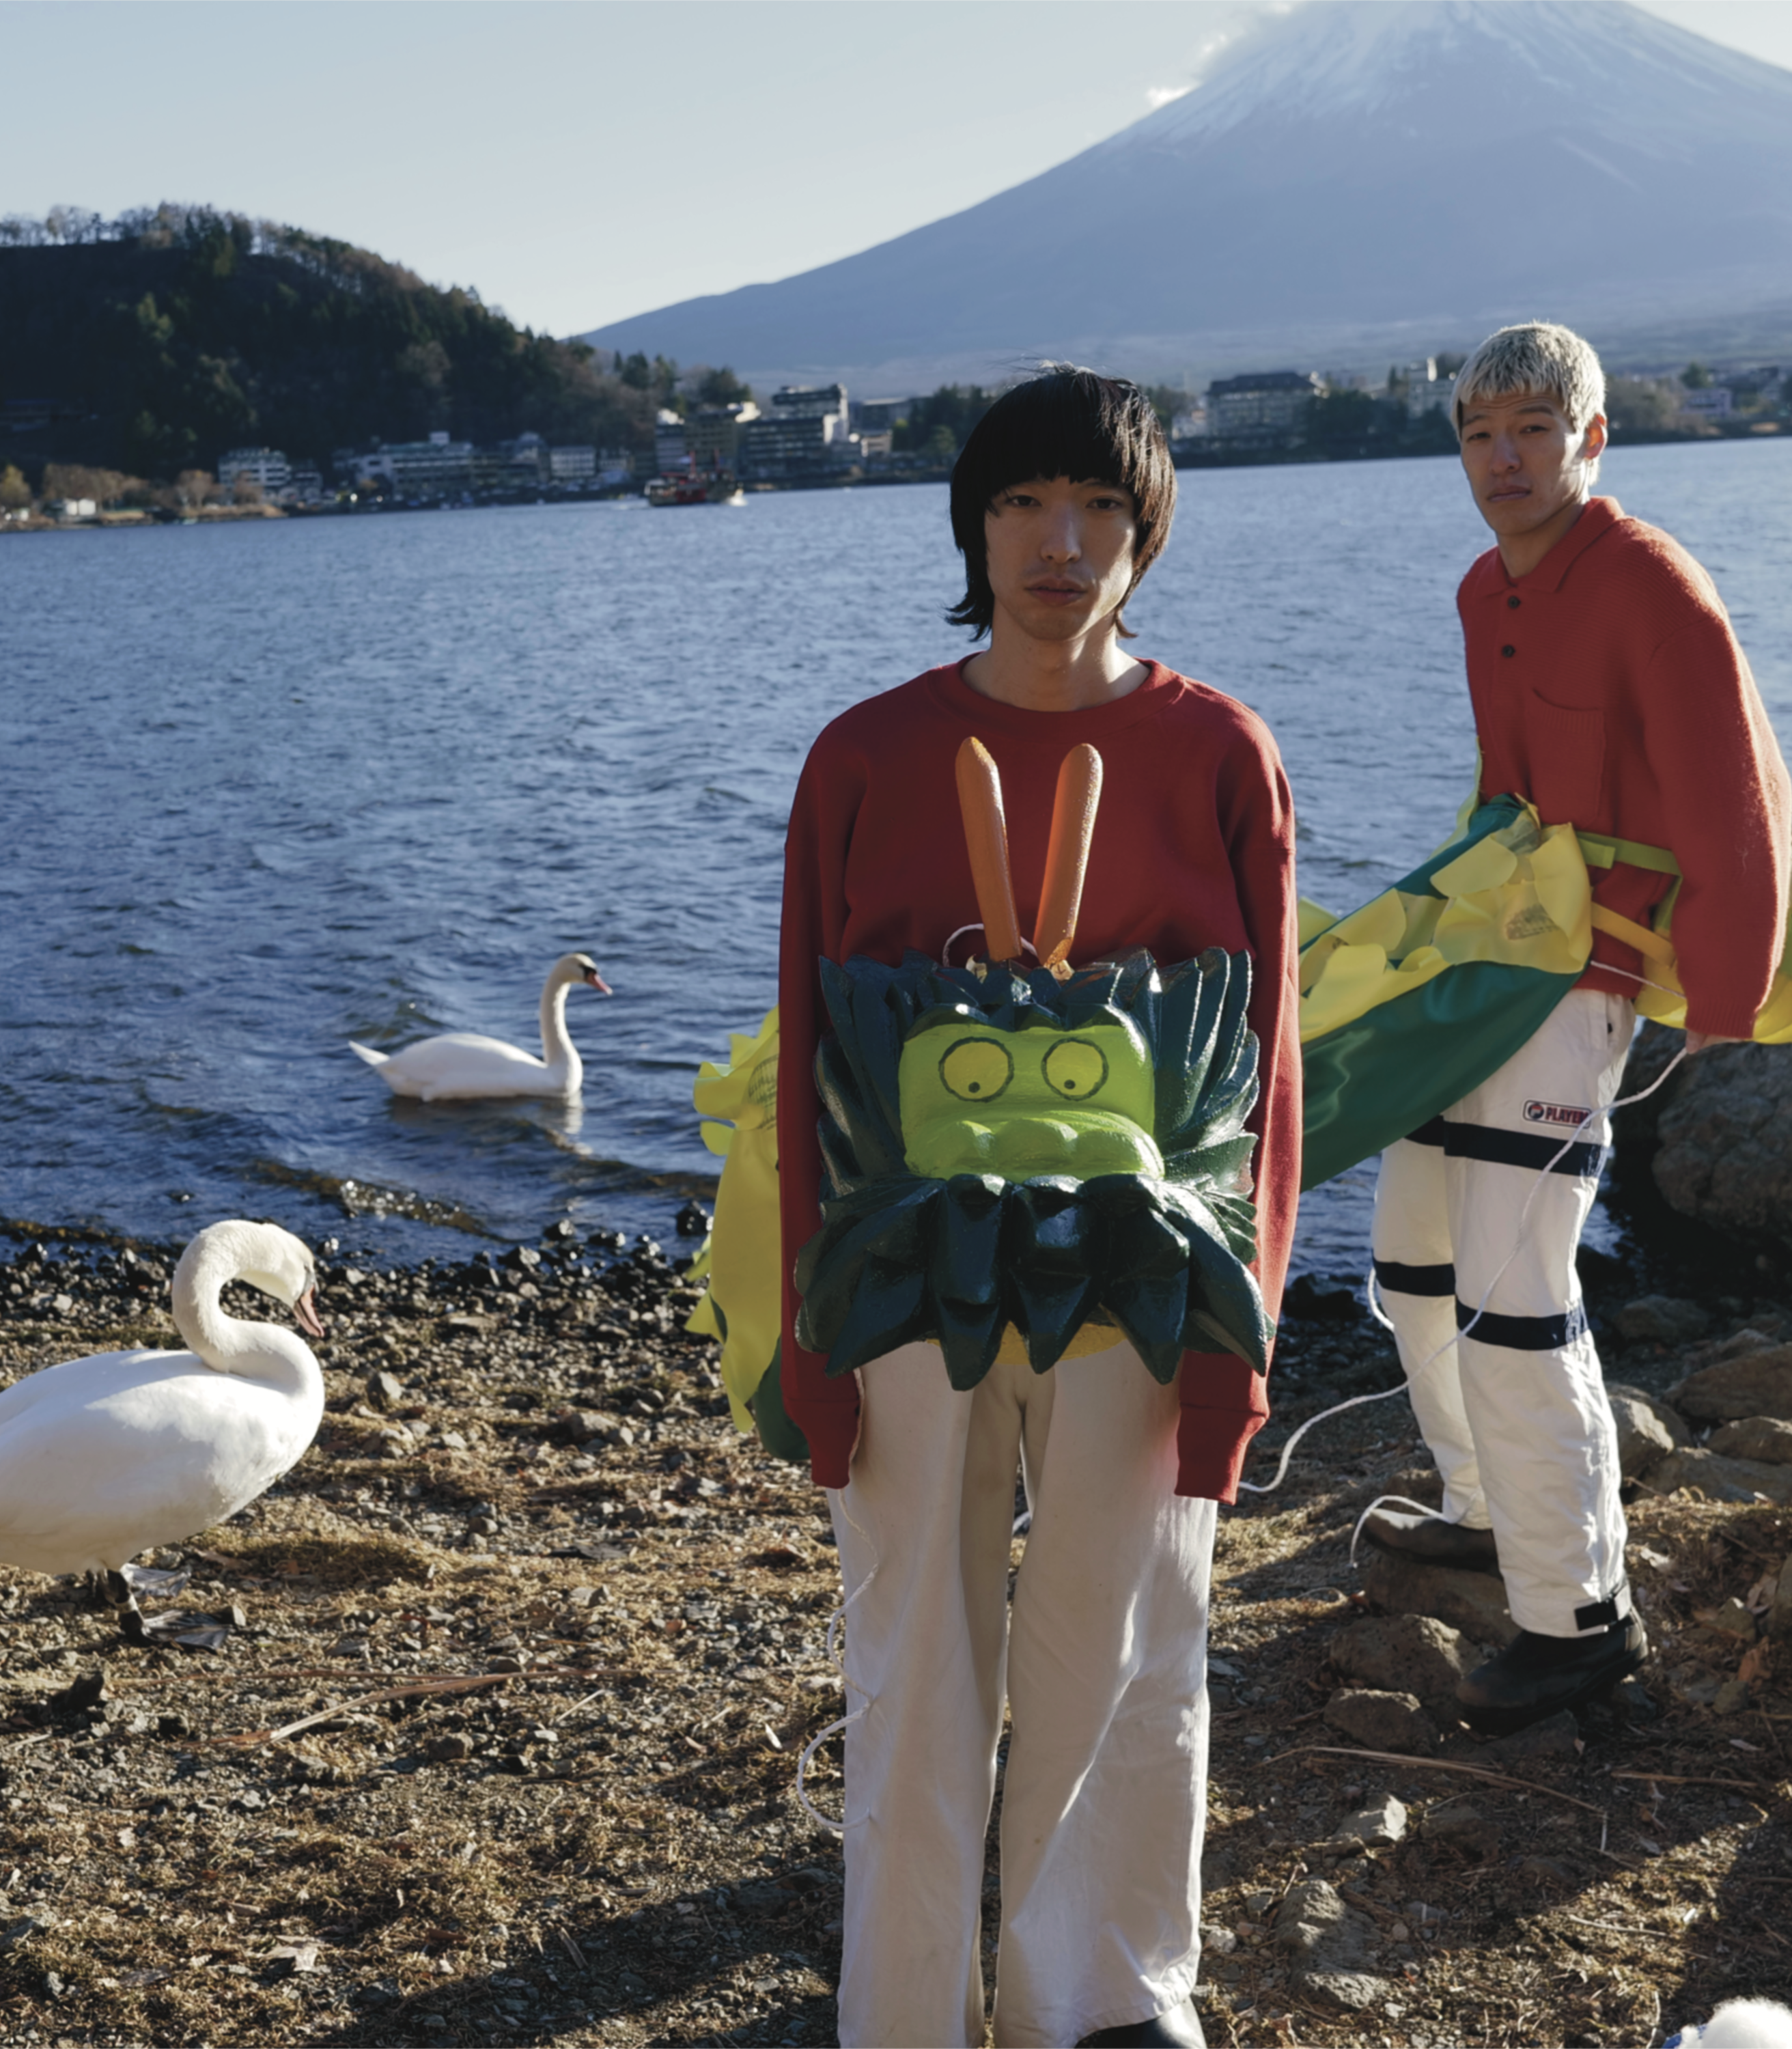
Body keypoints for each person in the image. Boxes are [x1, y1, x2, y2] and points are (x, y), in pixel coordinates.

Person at [775, 365, 1300, 2049]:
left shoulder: (1220, 751)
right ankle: (908, 2010)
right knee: (915, 1651)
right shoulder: (865, 756)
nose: (1058, 546)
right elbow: (809, 1064)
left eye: (1099, 511)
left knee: (1131, 1638)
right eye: (1021, 506)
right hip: (905, 1267)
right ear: (972, 525)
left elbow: (1265, 1071)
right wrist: (812, 1335)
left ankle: (1106, 2002)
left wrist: (1243, 1347)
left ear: (1147, 538)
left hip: (1148, 1273)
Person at [1360, 322, 1792, 1730]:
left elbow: (1735, 802)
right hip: (1493, 954)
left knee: (1514, 1297)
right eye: (1481, 435)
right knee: (1412, 1259)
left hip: (1595, 972)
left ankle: (1579, 1618)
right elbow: (1503, 789)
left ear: (1592, 441)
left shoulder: (1654, 584)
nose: (1504, 459)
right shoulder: (1485, 586)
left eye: (1534, 431)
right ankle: (1486, 1510)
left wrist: (1722, 1005)